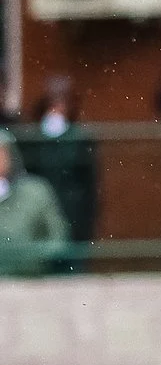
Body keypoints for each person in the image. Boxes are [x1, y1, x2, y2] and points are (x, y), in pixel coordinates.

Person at [19, 76, 99, 244]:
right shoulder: (32, 139)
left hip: (72, 213)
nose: (57, 108)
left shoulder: (80, 140)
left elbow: (89, 185)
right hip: (39, 214)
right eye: (53, 102)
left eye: (62, 102)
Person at [0, 130, 70, 277]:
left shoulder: (36, 191)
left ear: (11, 156)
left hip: (31, 281)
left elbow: (58, 239)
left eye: (1, 153)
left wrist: (29, 257)